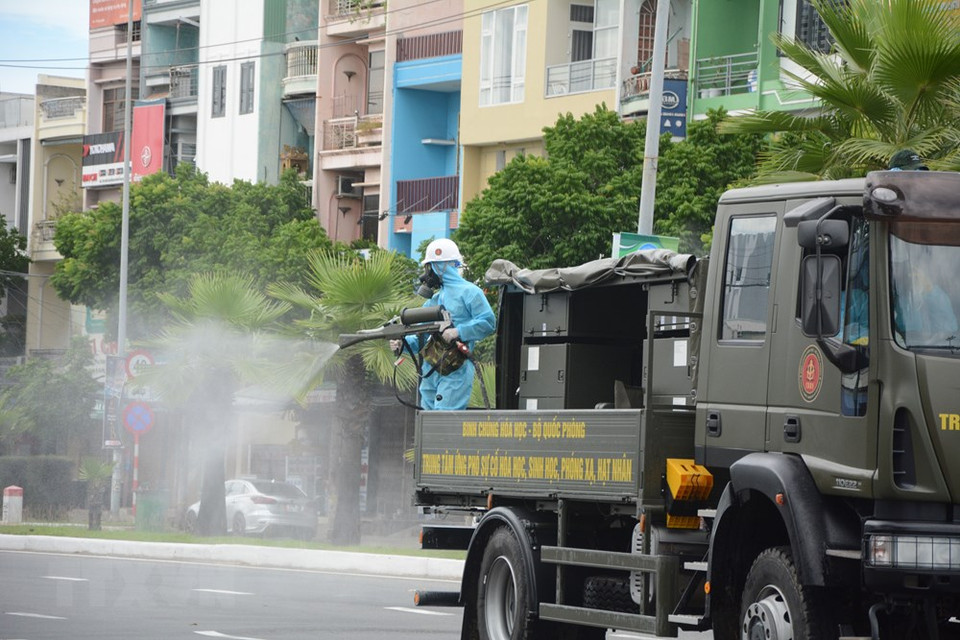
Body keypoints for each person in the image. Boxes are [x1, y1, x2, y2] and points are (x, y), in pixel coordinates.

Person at [391, 239, 495, 410]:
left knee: (443, 422)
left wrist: (458, 332)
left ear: (443, 266)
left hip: (455, 368)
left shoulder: (470, 292)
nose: (428, 273)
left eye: (430, 267)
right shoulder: (435, 299)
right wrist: (403, 343)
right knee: (427, 422)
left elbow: (488, 322)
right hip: (431, 369)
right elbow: (422, 336)